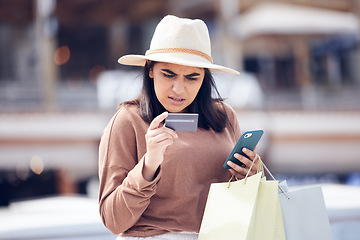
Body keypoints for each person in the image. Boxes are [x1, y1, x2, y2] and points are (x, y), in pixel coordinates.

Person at [98, 15, 260, 240]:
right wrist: (148, 165)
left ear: (204, 78)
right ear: (150, 69)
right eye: (169, 74)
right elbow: (113, 220)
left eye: (192, 78)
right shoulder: (128, 121)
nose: (179, 89)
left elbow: (245, 203)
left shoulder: (225, 117)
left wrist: (252, 175)